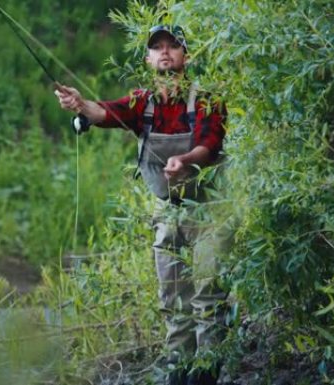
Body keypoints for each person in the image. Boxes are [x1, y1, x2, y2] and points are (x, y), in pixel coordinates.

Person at [55, 25, 230, 385]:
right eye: (157, 48)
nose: (165, 52)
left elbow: (209, 146)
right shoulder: (141, 103)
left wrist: (185, 160)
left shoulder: (209, 100)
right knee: (173, 300)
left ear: (186, 55)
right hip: (168, 212)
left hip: (210, 211)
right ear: (148, 58)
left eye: (173, 46)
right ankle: (178, 373)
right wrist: (79, 104)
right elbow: (104, 112)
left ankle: (208, 374)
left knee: (207, 296)